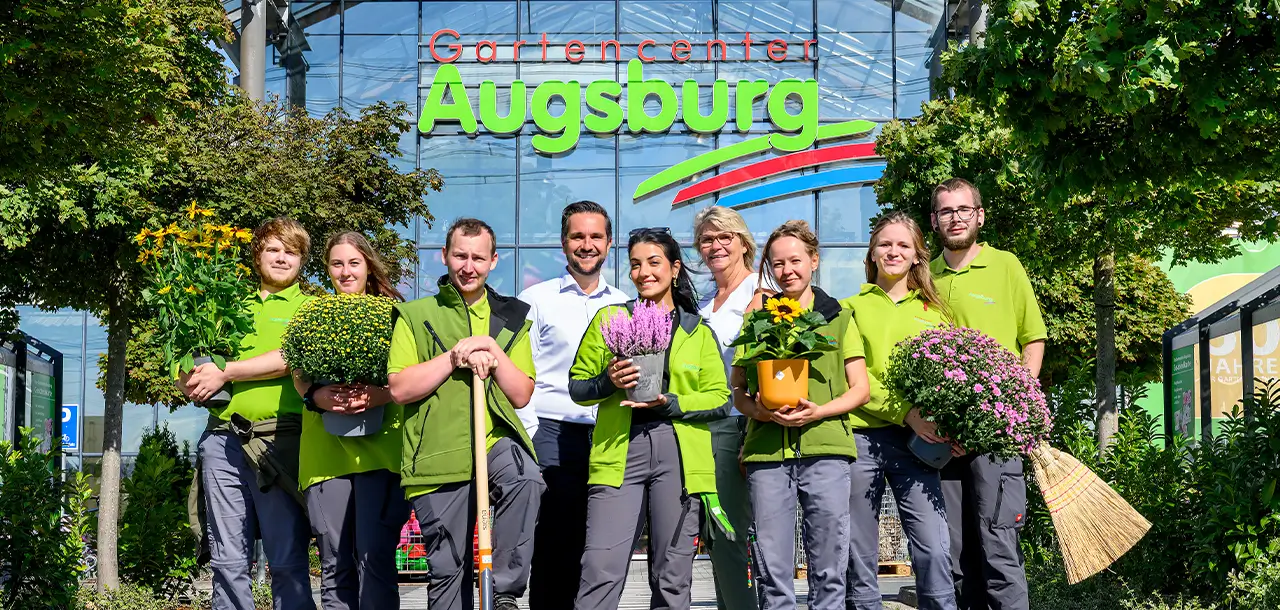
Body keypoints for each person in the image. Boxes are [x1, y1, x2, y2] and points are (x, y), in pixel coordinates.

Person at [387, 218, 545, 610]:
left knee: (526, 479)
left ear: (493, 261)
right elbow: (400, 389)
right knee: (447, 569)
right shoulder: (415, 315)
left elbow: (522, 393)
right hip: (437, 454)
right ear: (444, 256)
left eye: (478, 257)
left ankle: (504, 592)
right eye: (460, 255)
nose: (468, 266)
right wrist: (452, 357)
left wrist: (492, 347)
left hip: (493, 443)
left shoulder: (511, 317)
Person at [569, 227, 731, 610]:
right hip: (618, 452)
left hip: (679, 456)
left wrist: (672, 402)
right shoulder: (611, 319)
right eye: (636, 265)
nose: (644, 273)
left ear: (674, 269)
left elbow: (721, 400)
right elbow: (578, 387)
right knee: (600, 566)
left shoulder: (698, 332)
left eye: (654, 263)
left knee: (672, 574)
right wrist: (607, 381)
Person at [732, 220, 869, 610]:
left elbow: (861, 388)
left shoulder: (838, 317)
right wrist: (757, 409)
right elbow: (738, 391)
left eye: (795, 260)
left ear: (814, 260)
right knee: (773, 571)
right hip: (768, 454)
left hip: (826, 450)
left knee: (829, 567)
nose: (786, 270)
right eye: (777, 264)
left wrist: (819, 411)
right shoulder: (758, 320)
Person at [182, 217, 317, 610]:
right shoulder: (224, 305)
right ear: (257, 254)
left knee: (287, 558)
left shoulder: (310, 308)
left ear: (302, 261)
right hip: (222, 441)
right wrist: (190, 381)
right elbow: (191, 364)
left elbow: (290, 356)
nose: (281, 258)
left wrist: (227, 371)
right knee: (226, 560)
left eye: (291, 252)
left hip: (280, 442)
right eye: (273, 249)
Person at [929, 178, 1047, 610]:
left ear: (979, 215)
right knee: (956, 558)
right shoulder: (925, 274)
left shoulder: (1005, 266)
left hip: (998, 436)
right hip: (942, 437)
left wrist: (1018, 406)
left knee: (1000, 549)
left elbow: (1033, 339)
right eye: (946, 211)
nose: (955, 218)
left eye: (964, 209)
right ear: (934, 220)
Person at [841, 212, 958, 610]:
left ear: (917, 256)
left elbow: (952, 378)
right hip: (861, 438)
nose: (893, 251)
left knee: (934, 547)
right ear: (872, 253)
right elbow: (856, 378)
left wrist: (951, 425)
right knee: (860, 549)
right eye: (885, 244)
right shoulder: (849, 310)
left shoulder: (936, 313)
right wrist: (907, 412)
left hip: (920, 443)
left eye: (903, 245)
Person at [291, 232, 411, 610]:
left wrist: (381, 394)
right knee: (334, 563)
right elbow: (298, 370)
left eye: (353, 263)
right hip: (326, 453)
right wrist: (315, 395)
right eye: (336, 263)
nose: (345, 272)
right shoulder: (311, 313)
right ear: (327, 269)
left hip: (383, 451)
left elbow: (410, 375)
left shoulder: (395, 313)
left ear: (368, 266)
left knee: (374, 559)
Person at [518, 201, 628, 610]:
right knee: (553, 540)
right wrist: (530, 432)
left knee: (596, 543)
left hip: (607, 434)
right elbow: (520, 371)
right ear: (564, 243)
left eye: (595, 236)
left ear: (609, 243)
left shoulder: (624, 304)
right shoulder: (535, 299)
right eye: (578, 236)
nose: (587, 244)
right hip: (553, 432)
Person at [692, 206, 759, 610]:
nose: (715, 246)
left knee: (731, 531)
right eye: (706, 239)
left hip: (737, 425)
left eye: (724, 237)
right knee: (715, 536)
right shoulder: (703, 303)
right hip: (703, 425)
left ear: (743, 243)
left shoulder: (761, 293)